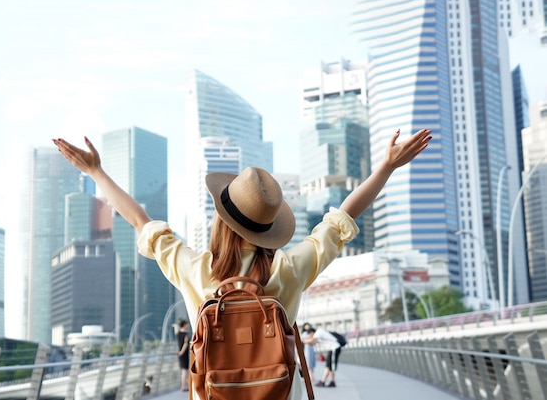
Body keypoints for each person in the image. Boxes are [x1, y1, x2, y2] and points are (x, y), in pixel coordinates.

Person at [52, 128, 431, 399]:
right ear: (270, 227)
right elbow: (341, 219)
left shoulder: (196, 268)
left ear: (222, 220)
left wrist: (96, 171)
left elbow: (139, 219)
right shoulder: (288, 268)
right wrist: (386, 167)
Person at [172, 318, 190, 391]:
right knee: (185, 371)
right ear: (184, 325)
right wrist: (182, 352)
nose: (188, 325)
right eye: (187, 324)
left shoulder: (178, 333)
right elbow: (185, 344)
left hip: (180, 353)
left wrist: (175, 326)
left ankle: (187, 385)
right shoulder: (186, 334)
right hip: (184, 354)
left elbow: (176, 330)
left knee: (185, 370)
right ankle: (183, 386)